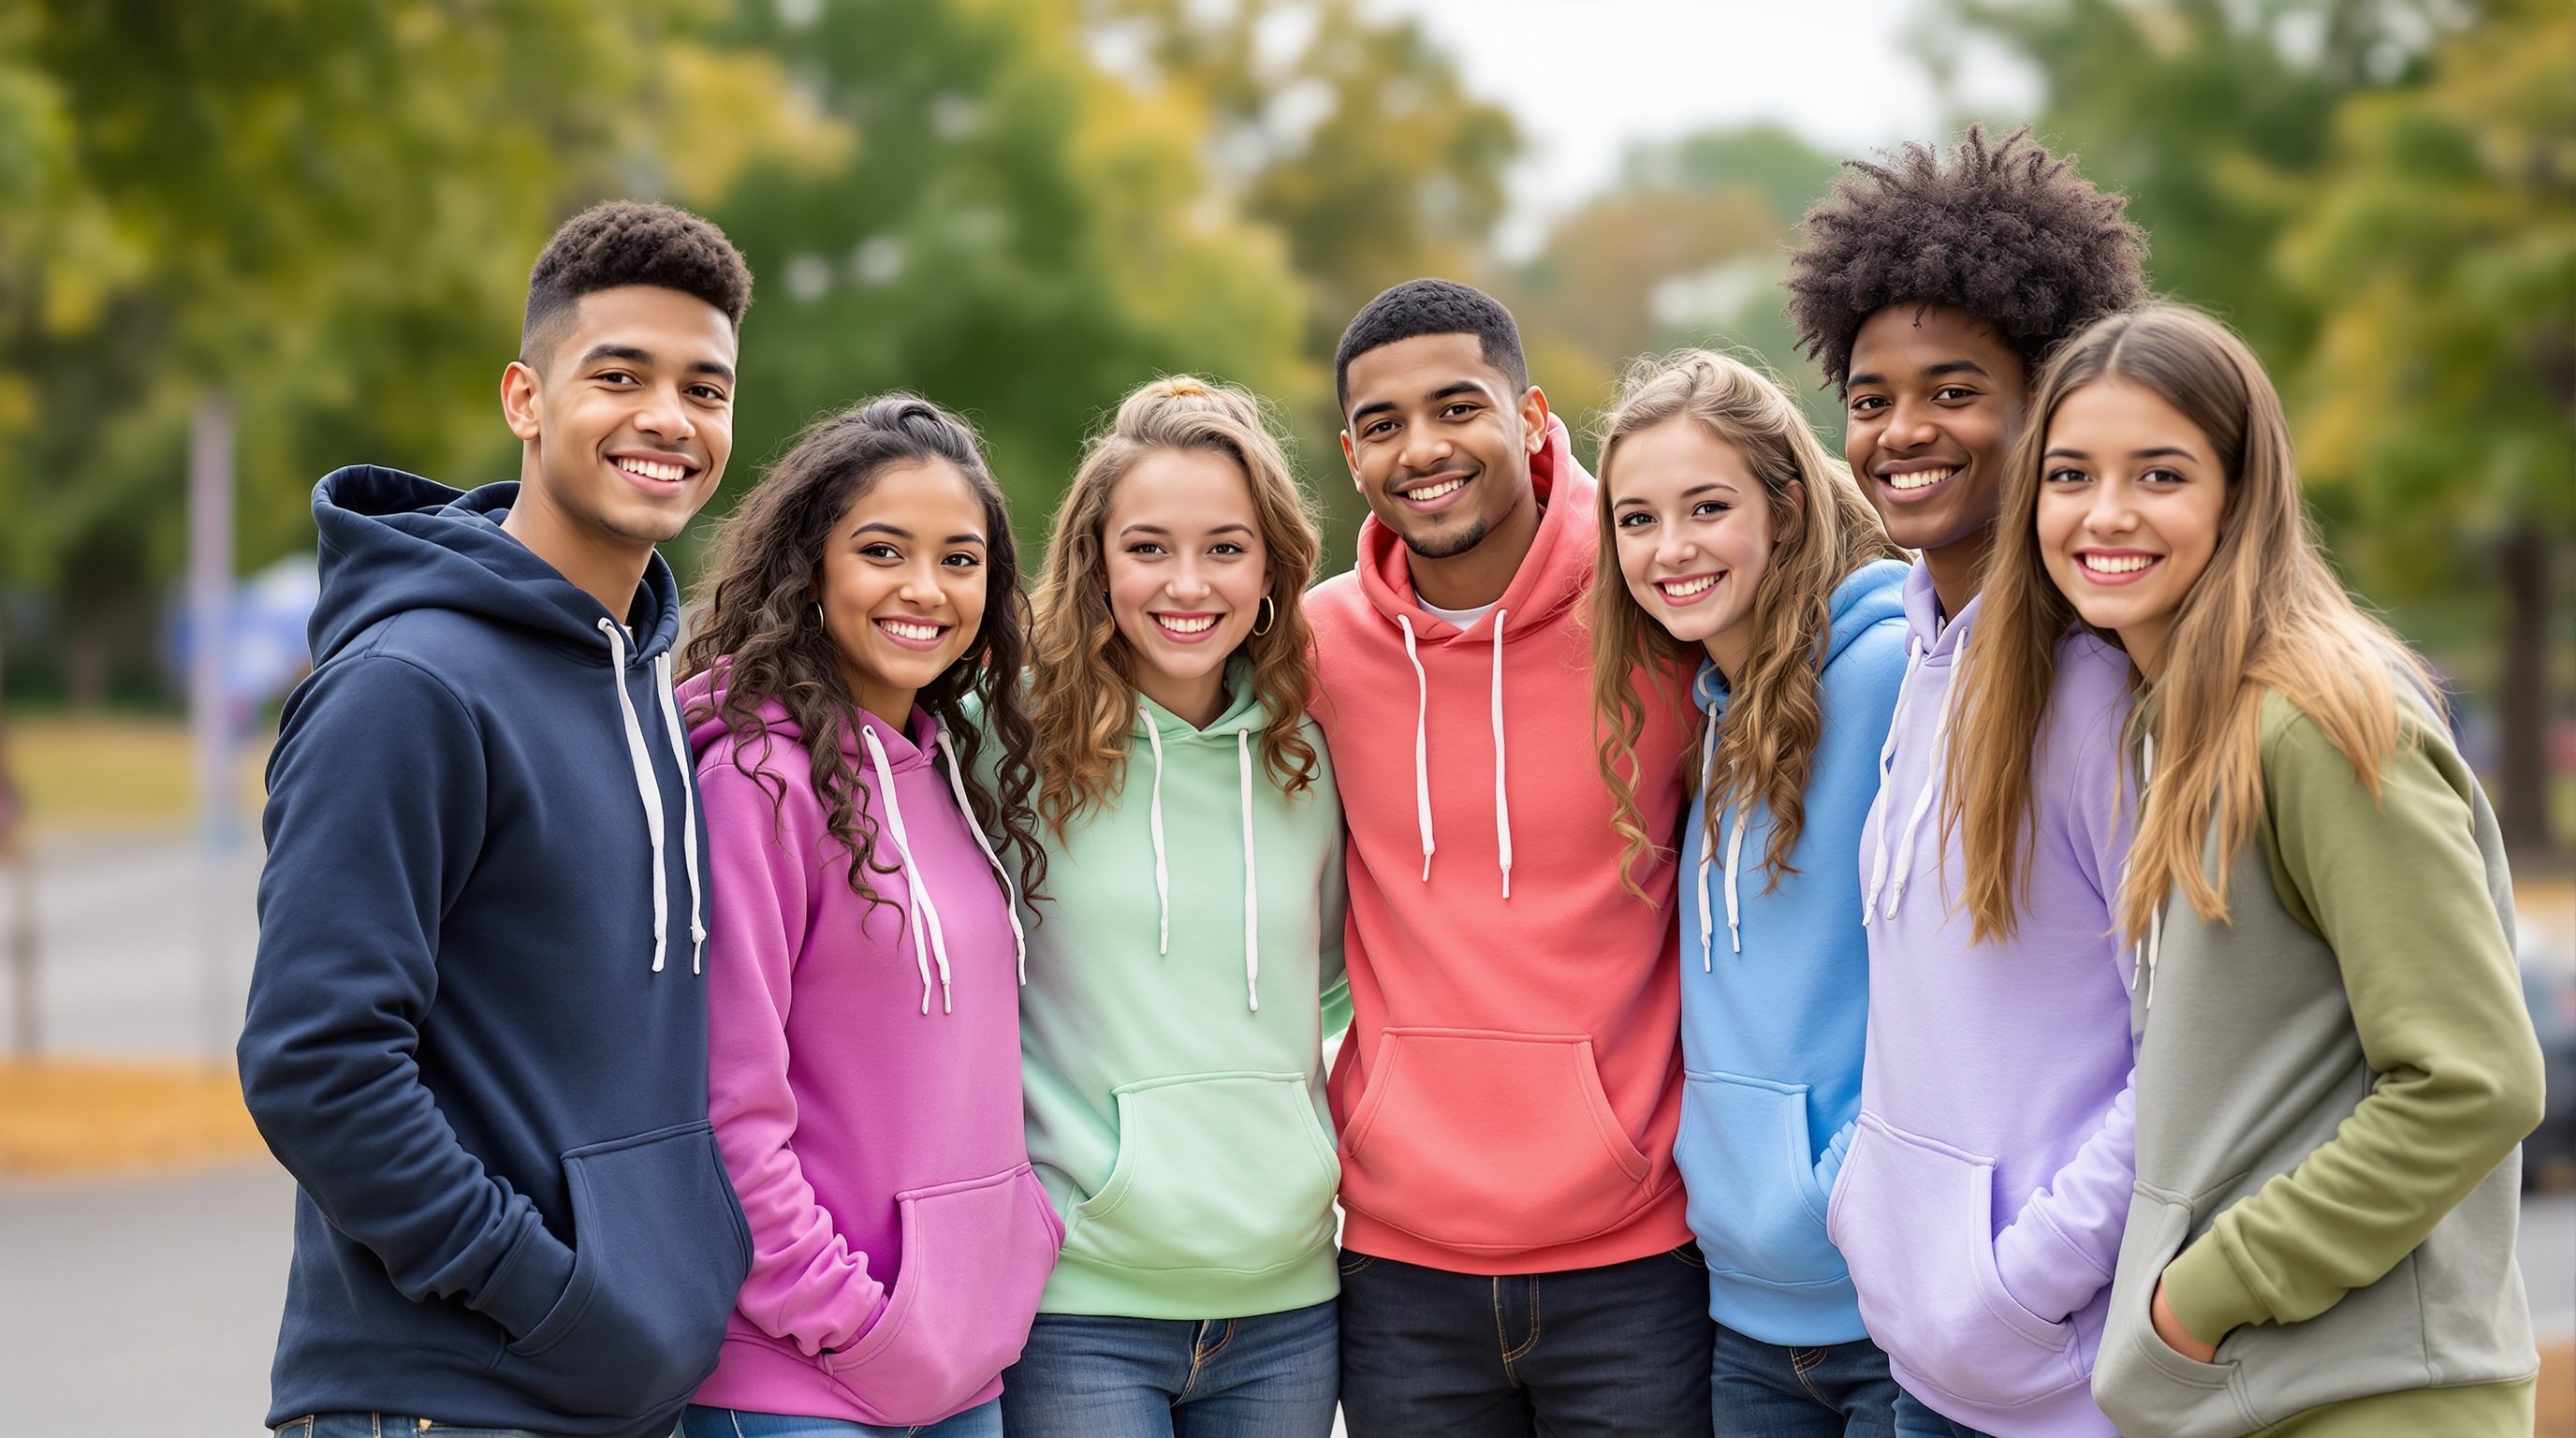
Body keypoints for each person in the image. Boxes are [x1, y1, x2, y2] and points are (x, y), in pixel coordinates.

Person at [1951, 303, 2544, 1437]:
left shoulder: (2314, 719)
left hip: (2372, 1397)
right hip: (2253, 1389)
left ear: (2239, 495)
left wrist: (2206, 1296)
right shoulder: (2172, 720)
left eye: (2159, 474)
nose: (2104, 513)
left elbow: (2474, 1079)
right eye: (2070, 475)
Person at [240, 200, 756, 1438]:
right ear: (526, 399)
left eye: (705, 386)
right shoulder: (408, 689)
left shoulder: (645, 679)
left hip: (610, 1392)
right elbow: (317, 1061)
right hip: (442, 1400)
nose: (667, 420)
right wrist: (546, 1297)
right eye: (618, 375)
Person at [1778, 127, 2148, 1438]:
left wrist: (2022, 1282)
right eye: (1871, 398)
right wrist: (1866, 1203)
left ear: (2049, 405)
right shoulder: (1909, 653)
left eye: (1953, 389)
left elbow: (2189, 1052)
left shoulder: (2097, 698)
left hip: (2065, 1382)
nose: (1901, 431)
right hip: (1925, 1366)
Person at [1307, 278, 1710, 1436]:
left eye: (1457, 407)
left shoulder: (1653, 611)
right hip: (1399, 1268)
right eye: (1383, 426)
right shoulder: (1319, 643)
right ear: (1351, 454)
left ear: (1532, 417)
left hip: (1636, 1258)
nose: (1421, 448)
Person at [675, 396, 1057, 1438]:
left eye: (960, 559)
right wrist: (848, 1321)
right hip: (800, 1378)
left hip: (956, 1371)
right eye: (883, 551)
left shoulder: (948, 775)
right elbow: (727, 1101)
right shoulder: (756, 782)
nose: (925, 590)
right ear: (811, 568)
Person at [998, 376, 1348, 1438]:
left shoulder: (1311, 752)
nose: (1186, 584)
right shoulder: (1003, 736)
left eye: (1224, 548)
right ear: (1096, 561)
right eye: (1147, 547)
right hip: (1079, 1304)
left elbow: (1326, 984)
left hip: (1289, 1304)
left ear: (1273, 567)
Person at [1589, 350, 1910, 1436]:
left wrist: (1840, 1189)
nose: (1669, 549)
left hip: (1888, 1312)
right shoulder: (1708, 712)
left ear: (1784, 508)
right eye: (1636, 519)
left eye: (1706, 508)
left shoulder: (1890, 675)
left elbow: (1959, 983)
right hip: (1744, 1319)